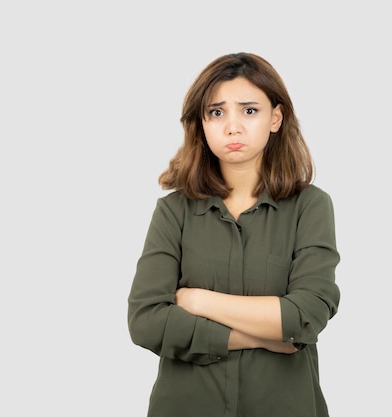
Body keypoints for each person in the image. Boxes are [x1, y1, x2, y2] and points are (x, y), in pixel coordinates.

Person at [127, 52, 341, 417]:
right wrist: (261, 337)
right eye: (216, 112)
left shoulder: (310, 206)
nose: (232, 127)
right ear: (202, 123)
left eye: (249, 111)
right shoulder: (173, 211)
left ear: (276, 118)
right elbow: (146, 321)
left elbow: (306, 314)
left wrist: (197, 301)